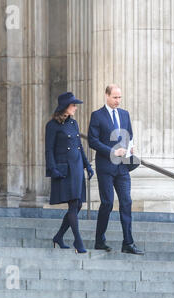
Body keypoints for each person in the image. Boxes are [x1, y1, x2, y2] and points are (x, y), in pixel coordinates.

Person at [88, 84, 143, 255]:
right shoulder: (97, 116)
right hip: (105, 166)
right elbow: (93, 141)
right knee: (107, 203)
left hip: (122, 167)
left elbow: (130, 135)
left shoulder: (124, 114)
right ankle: (99, 240)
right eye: (115, 97)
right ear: (106, 96)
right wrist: (112, 151)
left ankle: (128, 242)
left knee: (126, 202)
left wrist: (131, 147)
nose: (118, 101)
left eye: (120, 97)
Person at [45, 92, 94, 254]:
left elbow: (79, 146)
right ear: (65, 106)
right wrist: (53, 169)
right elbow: (49, 150)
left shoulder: (73, 123)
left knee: (78, 204)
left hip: (77, 167)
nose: (75, 108)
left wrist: (88, 165)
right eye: (73, 105)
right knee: (73, 204)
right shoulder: (52, 125)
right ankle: (78, 241)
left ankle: (58, 237)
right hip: (64, 169)